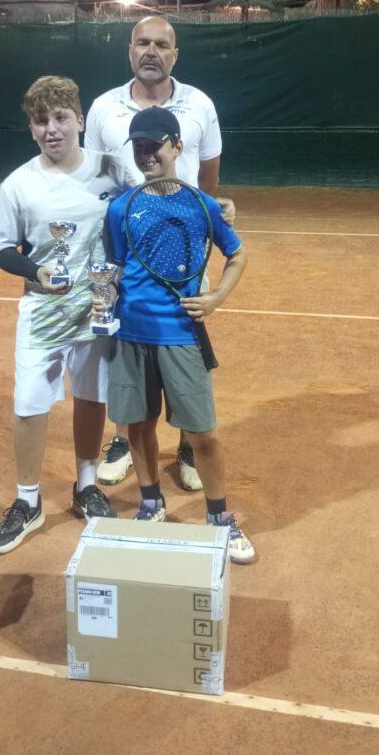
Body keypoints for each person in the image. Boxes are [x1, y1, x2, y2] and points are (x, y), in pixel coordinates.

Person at [0, 75, 137, 554]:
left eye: (60, 118)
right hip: (42, 311)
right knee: (29, 404)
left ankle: (86, 486)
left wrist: (211, 206)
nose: (51, 128)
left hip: (98, 308)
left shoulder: (112, 168)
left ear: (80, 121)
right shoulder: (18, 184)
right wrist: (35, 270)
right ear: (31, 128)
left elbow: (146, 204)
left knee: (91, 398)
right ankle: (28, 501)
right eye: (40, 120)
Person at [100, 106, 255, 564]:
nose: (146, 153)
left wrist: (216, 298)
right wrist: (102, 299)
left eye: (155, 145)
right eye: (139, 146)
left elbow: (237, 255)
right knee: (138, 426)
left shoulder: (202, 205)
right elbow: (114, 267)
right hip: (131, 333)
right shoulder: (121, 208)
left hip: (181, 333)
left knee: (202, 433)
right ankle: (151, 503)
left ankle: (219, 517)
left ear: (177, 147)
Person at [86, 14, 232, 492]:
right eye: (142, 43)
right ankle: (123, 439)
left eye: (161, 45)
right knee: (123, 346)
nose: (151, 51)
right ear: (130, 50)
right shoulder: (104, 107)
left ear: (175, 54)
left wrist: (200, 219)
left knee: (186, 341)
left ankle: (188, 442)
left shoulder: (200, 104)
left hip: (182, 253)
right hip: (123, 248)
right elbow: (95, 177)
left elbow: (208, 174)